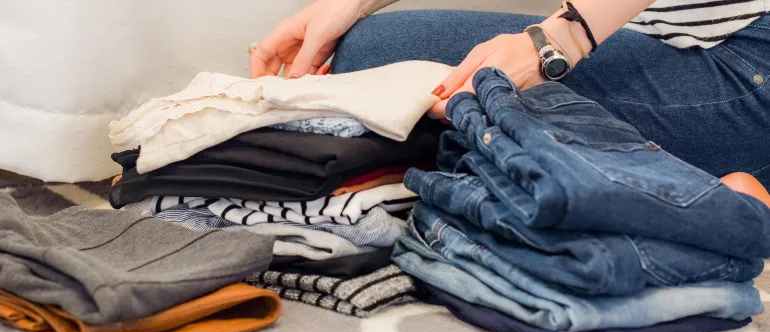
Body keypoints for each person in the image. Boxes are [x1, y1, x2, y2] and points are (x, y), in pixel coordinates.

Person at [249, 0, 770, 196]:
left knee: (373, 53)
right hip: (671, 45)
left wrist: (559, 41)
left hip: (744, 66)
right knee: (364, 45)